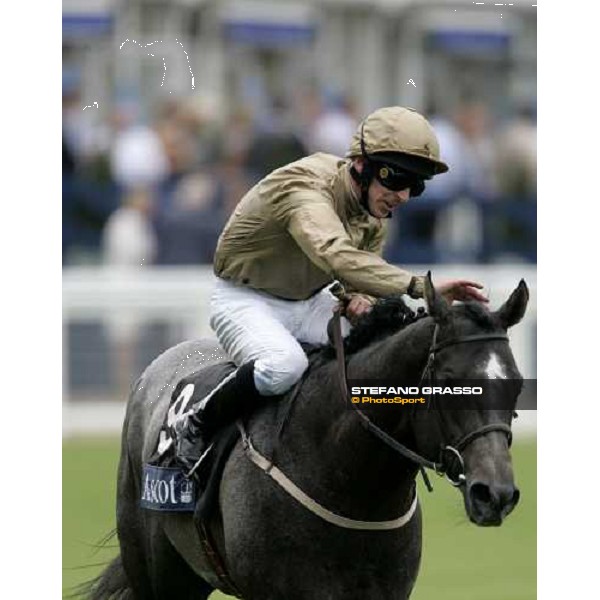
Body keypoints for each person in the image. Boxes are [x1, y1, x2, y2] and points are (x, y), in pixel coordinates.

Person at [168, 106, 488, 473]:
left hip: (310, 301)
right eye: (397, 180)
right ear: (362, 165)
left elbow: (356, 279)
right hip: (246, 299)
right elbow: (337, 256)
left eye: (415, 186)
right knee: (283, 367)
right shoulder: (305, 187)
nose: (403, 196)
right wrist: (421, 287)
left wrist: (357, 299)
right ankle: (195, 424)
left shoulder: (374, 210)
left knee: (385, 353)